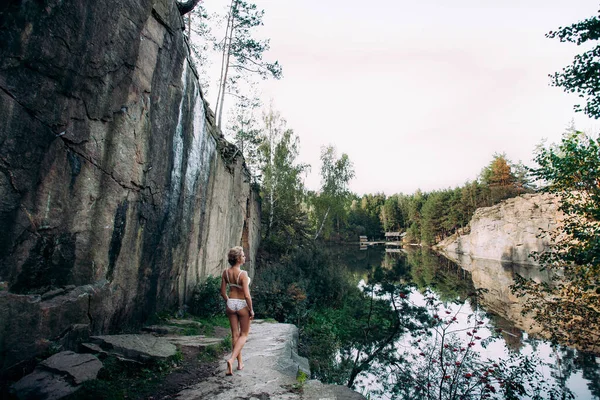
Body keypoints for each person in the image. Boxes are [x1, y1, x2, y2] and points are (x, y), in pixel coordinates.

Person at [220, 246, 254, 375]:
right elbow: (247, 295)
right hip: (241, 304)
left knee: (235, 334)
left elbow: (222, 292)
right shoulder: (243, 274)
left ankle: (239, 363)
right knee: (244, 334)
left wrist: (229, 301)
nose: (245, 257)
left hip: (231, 302)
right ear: (239, 259)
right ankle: (232, 359)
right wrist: (251, 310)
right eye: (243, 255)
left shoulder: (225, 273)